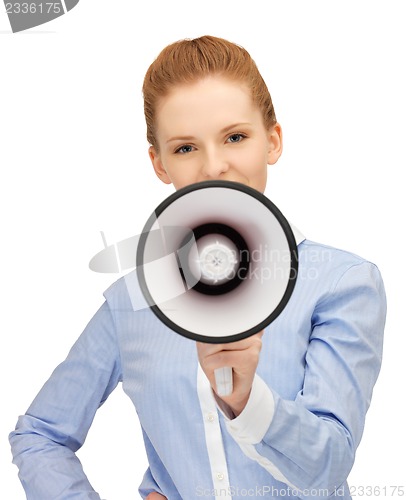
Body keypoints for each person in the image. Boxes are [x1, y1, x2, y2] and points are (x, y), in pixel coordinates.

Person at [9, 35, 386, 499]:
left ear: (273, 140)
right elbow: (41, 434)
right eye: (185, 148)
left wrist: (247, 400)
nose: (214, 166)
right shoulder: (131, 302)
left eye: (235, 137)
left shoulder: (341, 284)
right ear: (160, 163)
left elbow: (328, 466)